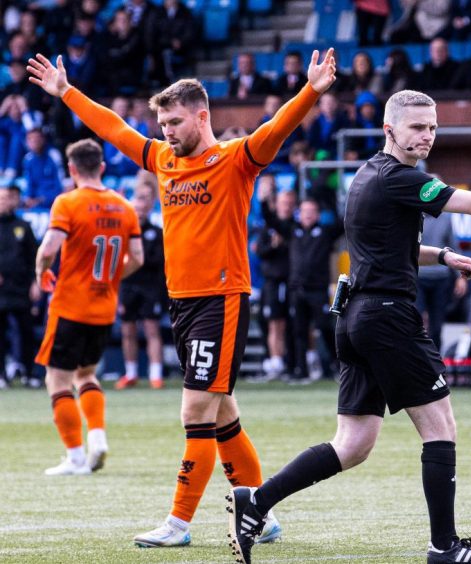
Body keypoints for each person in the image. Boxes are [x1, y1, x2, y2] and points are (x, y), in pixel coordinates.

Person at [226, 89, 471, 564]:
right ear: (390, 130)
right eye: (417, 128)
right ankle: (444, 547)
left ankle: (257, 500)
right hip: (388, 316)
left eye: (432, 127)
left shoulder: (367, 176)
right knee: (440, 426)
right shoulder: (401, 178)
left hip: (356, 318)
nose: (427, 136)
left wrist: (442, 255)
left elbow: (384, 246)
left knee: (353, 444)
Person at [27, 46, 338, 546]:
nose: (166, 131)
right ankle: (263, 513)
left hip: (221, 298)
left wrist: (310, 91)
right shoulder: (163, 159)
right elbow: (113, 129)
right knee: (223, 414)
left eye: (174, 122)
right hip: (184, 302)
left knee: (195, 411)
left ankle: (178, 523)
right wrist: (66, 93)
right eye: (162, 123)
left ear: (202, 115)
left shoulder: (235, 159)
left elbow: (274, 130)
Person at [34, 139, 144, 475]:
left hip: (70, 305)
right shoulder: (125, 206)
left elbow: (50, 246)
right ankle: (97, 437)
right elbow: (137, 258)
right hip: (103, 306)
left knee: (58, 379)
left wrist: (41, 271)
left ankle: (76, 456)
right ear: (102, 167)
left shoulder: (67, 202)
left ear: (71, 169)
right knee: (87, 374)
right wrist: (111, 278)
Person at [261, 194, 342, 381]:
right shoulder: (292, 230)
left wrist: (331, 198)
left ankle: (336, 366)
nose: (307, 215)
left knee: (324, 326)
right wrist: (265, 200)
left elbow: (343, 222)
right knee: (298, 330)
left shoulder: (325, 233)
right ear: (299, 213)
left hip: (318, 289)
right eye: (304, 211)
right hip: (296, 289)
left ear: (318, 215)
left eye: (311, 211)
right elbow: (271, 221)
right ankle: (302, 371)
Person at [115, 180, 167, 390]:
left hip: (150, 288)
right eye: (134, 208)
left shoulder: (156, 232)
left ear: (148, 208)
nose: (138, 212)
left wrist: (136, 260)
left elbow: (156, 261)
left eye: (141, 207)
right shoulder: (122, 233)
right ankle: (131, 372)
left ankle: (155, 373)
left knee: (151, 329)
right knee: (127, 330)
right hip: (127, 286)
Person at [0, 185, 40, 388]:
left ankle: (29, 373)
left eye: (8, 198)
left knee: (26, 331)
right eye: (2, 198)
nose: (5, 202)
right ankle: (2, 376)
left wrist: (35, 282)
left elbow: (34, 257)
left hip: (21, 287)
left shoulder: (23, 226)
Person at [253, 177, 293, 380]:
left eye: (289, 204)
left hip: (287, 282)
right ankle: (275, 361)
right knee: (271, 321)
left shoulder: (292, 227)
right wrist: (273, 246)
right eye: (283, 203)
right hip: (270, 282)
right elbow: (259, 250)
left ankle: (282, 361)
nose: (286, 207)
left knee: (282, 323)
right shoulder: (269, 228)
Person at [416, 209, 465, 350]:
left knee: (437, 326)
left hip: (441, 279)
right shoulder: (414, 214)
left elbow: (453, 247)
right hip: (418, 277)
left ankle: (435, 363)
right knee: (417, 322)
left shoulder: (446, 218)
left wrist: (459, 277)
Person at [22, 128, 64, 209]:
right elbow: (29, 183)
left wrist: (42, 199)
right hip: (35, 200)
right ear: (27, 142)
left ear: (43, 139)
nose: (34, 141)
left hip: (52, 199)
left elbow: (60, 184)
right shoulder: (28, 159)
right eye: (31, 139)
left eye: (37, 138)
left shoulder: (53, 155)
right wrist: (28, 198)